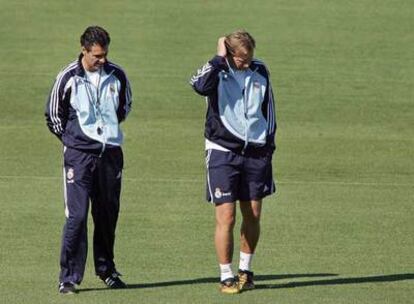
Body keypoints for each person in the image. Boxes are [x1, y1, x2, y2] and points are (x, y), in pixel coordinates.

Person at [45, 25, 132, 294]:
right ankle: (69, 277)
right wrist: (74, 142)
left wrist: (105, 136)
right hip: (79, 157)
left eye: (104, 54)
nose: (102, 60)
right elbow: (53, 115)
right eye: (96, 55)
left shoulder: (117, 75)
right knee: (77, 216)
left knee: (107, 215)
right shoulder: (68, 76)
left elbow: (124, 107)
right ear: (84, 50)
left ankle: (107, 271)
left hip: (110, 157)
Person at [190, 30, 277, 294]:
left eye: (249, 57)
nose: (247, 63)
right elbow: (198, 86)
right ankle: (226, 275)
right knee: (226, 216)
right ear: (229, 54)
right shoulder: (216, 71)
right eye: (241, 58)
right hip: (222, 151)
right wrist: (218, 59)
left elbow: (269, 109)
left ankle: (246, 272)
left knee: (252, 213)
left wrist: (268, 144)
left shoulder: (260, 70)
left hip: (256, 152)